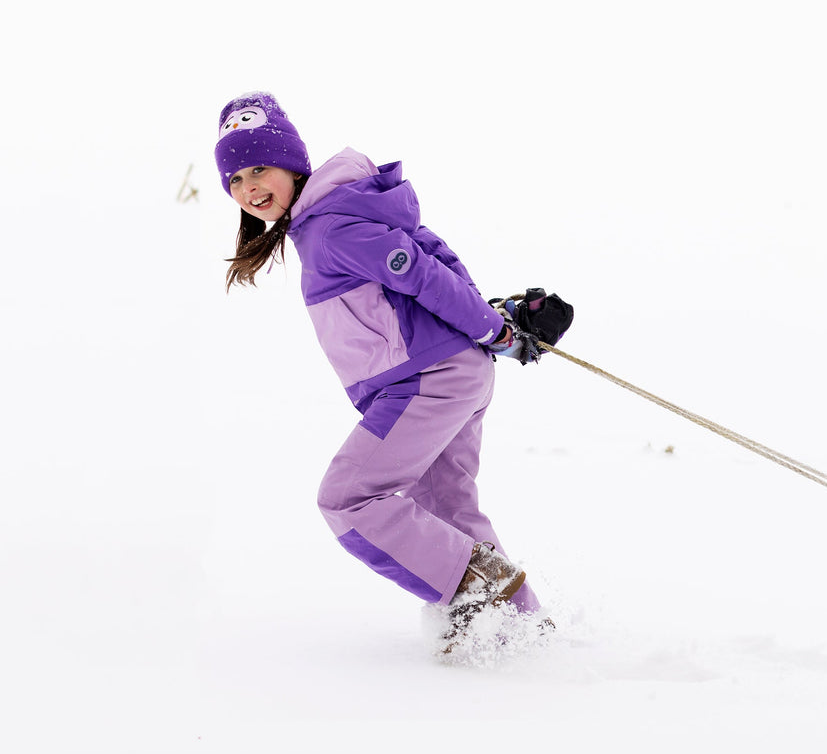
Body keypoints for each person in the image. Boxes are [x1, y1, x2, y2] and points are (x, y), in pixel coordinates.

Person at [216, 92, 572, 646]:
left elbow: (423, 274)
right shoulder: (337, 214)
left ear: (291, 162)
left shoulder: (329, 226)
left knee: (347, 498)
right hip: (447, 374)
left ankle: (481, 590)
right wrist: (486, 322)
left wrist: (491, 328)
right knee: (447, 509)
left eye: (259, 168)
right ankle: (522, 636)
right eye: (235, 179)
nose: (249, 188)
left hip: (427, 381)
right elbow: (426, 256)